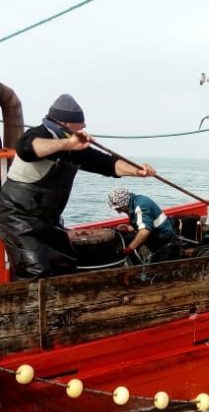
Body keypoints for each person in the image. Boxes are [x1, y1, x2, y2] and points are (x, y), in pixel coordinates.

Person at [0, 94, 155, 280]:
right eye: (80, 123)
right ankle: (30, 309)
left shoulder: (76, 150)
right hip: (17, 215)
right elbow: (27, 149)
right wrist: (68, 143)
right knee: (35, 269)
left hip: (47, 220)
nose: (83, 127)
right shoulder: (38, 135)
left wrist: (138, 171)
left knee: (65, 261)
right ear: (65, 123)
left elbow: (107, 163)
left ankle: (65, 307)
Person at [108, 187, 181, 263]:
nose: (119, 212)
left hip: (163, 238)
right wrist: (130, 228)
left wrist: (129, 248)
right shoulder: (135, 201)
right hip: (156, 233)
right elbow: (144, 222)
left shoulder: (141, 206)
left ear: (124, 203)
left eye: (119, 209)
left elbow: (145, 231)